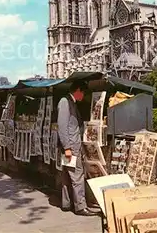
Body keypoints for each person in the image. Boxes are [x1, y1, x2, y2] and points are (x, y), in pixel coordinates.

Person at [57, 80, 98, 216]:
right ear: (78, 90)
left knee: (67, 176)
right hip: (71, 146)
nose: (83, 96)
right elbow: (62, 127)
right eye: (83, 92)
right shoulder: (65, 102)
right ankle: (80, 206)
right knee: (77, 176)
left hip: (71, 145)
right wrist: (67, 147)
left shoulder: (70, 102)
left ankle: (66, 203)